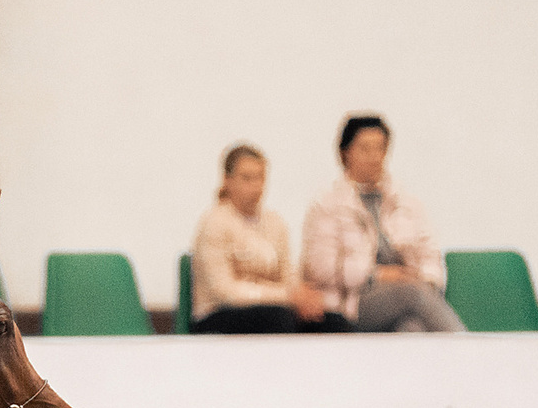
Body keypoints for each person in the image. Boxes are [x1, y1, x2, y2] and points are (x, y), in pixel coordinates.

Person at [301, 115, 465, 333]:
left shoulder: (405, 201)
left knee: (410, 328)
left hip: (409, 295)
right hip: (353, 302)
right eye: (365, 149)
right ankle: (468, 350)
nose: (374, 157)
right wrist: (376, 274)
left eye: (380, 149)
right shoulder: (326, 205)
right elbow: (321, 269)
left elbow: (430, 254)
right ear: (345, 153)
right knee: (408, 292)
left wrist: (426, 280)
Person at [190, 145, 346, 333]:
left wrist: (303, 298)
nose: (256, 186)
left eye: (260, 178)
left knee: (333, 322)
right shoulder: (214, 223)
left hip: (274, 308)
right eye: (247, 178)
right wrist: (287, 295)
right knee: (278, 320)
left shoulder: (274, 222)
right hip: (219, 314)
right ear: (227, 180)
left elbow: (288, 276)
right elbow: (226, 291)